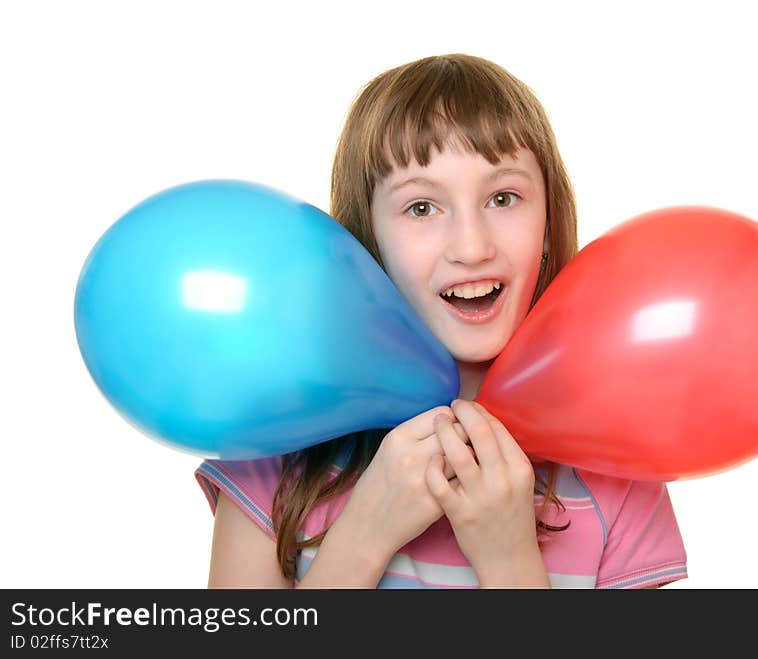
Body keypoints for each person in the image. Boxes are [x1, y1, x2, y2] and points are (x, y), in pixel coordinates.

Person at [195, 53, 688, 589]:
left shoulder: (616, 474)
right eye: (422, 208)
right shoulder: (277, 452)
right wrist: (366, 534)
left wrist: (509, 560)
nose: (471, 248)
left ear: (548, 224)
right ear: (365, 242)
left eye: (503, 198)